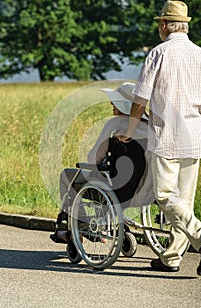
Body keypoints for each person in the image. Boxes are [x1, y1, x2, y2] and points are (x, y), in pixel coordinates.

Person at [117, 0, 201, 276]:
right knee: (183, 200)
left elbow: (140, 99)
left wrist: (129, 130)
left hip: (166, 136)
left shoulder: (158, 53)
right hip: (193, 136)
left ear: (164, 25)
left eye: (159, 23)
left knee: (165, 196)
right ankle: (171, 257)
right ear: (185, 25)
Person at [50, 82, 150, 243]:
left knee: (66, 176)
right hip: (145, 191)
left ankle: (81, 225)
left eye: (114, 101)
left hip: (115, 188)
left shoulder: (115, 125)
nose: (111, 103)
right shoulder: (152, 128)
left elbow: (93, 159)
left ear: (124, 105)